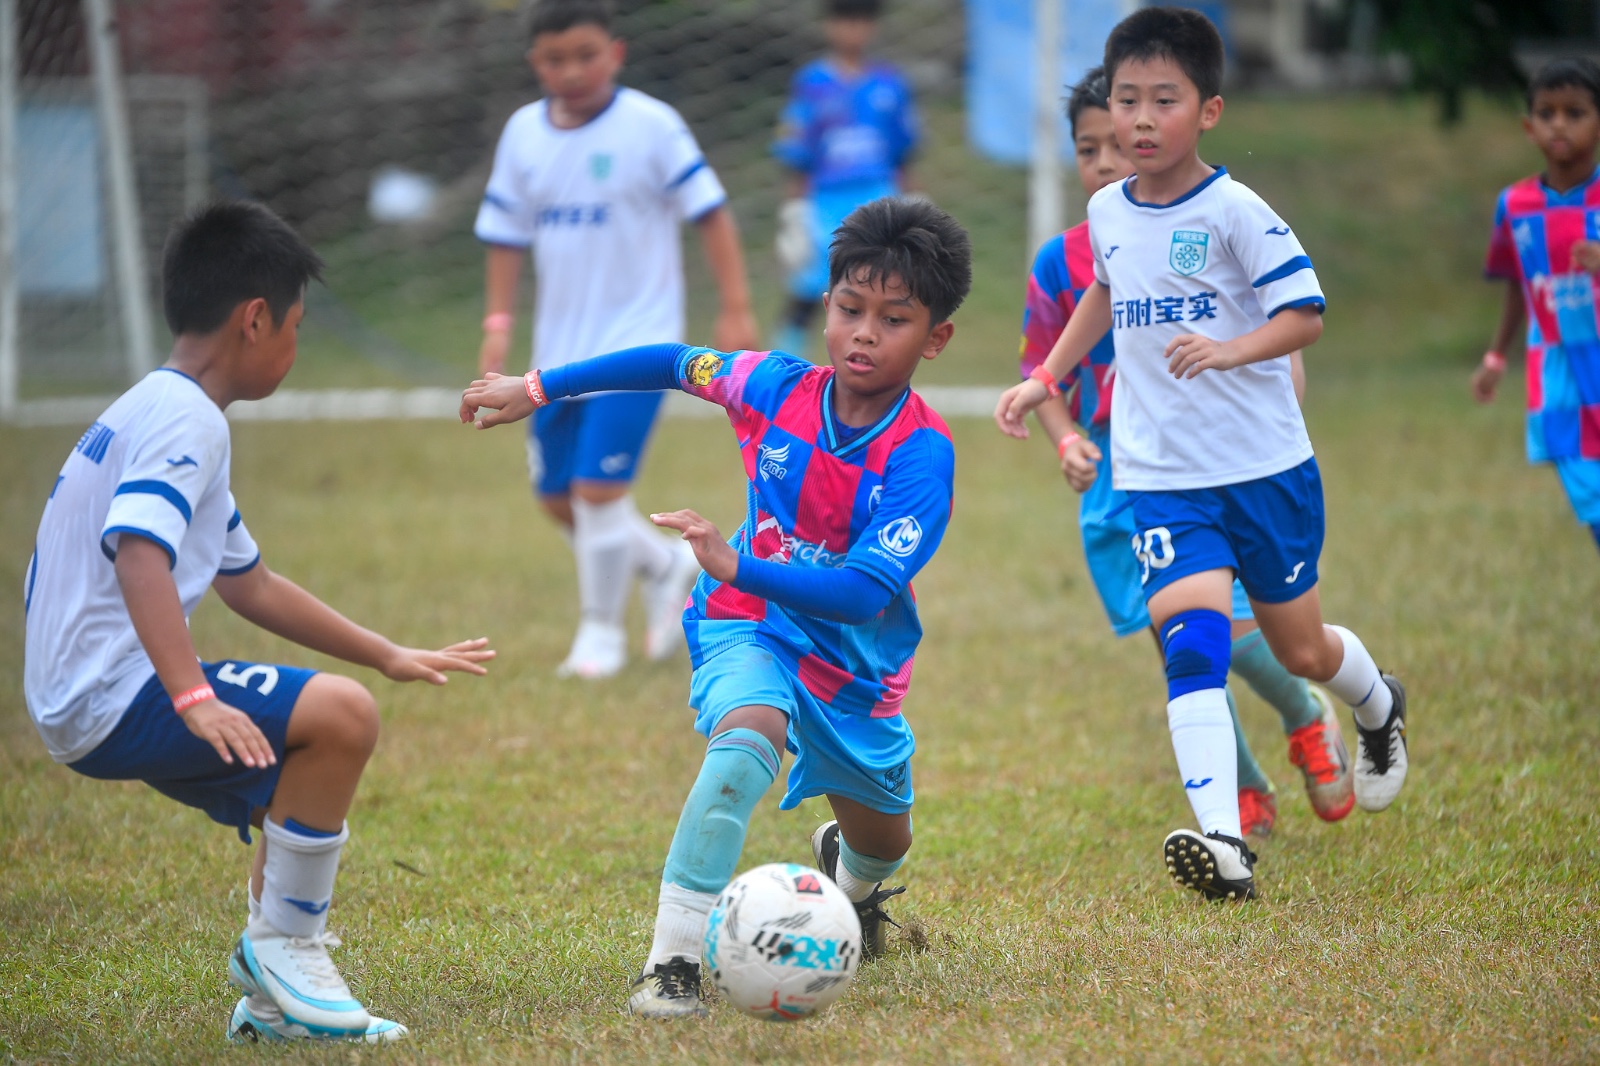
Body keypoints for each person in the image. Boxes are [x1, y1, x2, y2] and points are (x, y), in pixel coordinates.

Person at [462, 197, 971, 1017]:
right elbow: (674, 361)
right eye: (848, 309)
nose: (863, 334)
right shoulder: (770, 384)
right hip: (747, 619)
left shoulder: (920, 457)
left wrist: (740, 559)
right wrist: (537, 386)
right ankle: (672, 965)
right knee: (745, 744)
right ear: (828, 304)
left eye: (895, 319)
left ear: (935, 338)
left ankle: (852, 882)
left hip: (854, 660)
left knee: (887, 839)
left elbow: (864, 591)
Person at [21, 201, 494, 1043]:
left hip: (77, 693)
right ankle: (290, 946)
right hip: (108, 693)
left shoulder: (153, 407)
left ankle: (274, 997)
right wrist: (193, 693)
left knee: (310, 749)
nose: (294, 346)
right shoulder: (188, 420)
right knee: (341, 718)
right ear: (254, 321)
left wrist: (386, 651)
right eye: (296, 327)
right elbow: (138, 551)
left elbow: (251, 584)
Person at [996, 8, 1408, 902]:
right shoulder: (1108, 211)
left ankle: (1378, 706)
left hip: (1262, 467)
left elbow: (1307, 314)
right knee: (1190, 643)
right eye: (1127, 100)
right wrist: (1046, 378)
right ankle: (1224, 841)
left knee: (1301, 650)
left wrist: (1229, 350)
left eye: (1164, 101)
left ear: (1209, 111)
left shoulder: (1236, 211)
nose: (1139, 120)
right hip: (1159, 474)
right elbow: (1103, 294)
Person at [1019, 67, 1354, 838]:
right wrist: (1065, 436)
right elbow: (1044, 366)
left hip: (1207, 460)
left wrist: (1273, 387)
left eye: (1119, 140)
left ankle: (1306, 717)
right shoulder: (1061, 262)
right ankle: (1244, 788)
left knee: (1229, 631)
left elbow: (1276, 318)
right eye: (1089, 146)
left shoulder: (1212, 218)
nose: (1108, 158)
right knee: (1172, 637)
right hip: (1114, 468)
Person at [475, 0, 761, 679]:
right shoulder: (522, 134)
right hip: (557, 351)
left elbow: (711, 214)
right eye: (553, 59)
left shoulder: (652, 126)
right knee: (558, 500)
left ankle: (600, 636)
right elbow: (505, 236)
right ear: (532, 62)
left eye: (585, 55)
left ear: (617, 53)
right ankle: (665, 566)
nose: (570, 71)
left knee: (598, 495)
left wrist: (736, 306)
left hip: (640, 345)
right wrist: (497, 324)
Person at [1472, 57, 1600, 554]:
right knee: (1592, 507)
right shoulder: (1516, 205)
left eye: (1576, 112)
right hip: (1559, 378)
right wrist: (1495, 357)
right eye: (1547, 114)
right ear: (1530, 127)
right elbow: (1515, 282)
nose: (1559, 124)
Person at [771, 0, 919, 358]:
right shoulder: (812, 83)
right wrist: (794, 209)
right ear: (829, 25)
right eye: (844, 21)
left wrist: (914, 204)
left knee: (880, 287)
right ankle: (782, 363)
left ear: (873, 26)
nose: (853, 31)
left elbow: (904, 154)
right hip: (826, 199)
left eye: (861, 21)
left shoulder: (890, 84)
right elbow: (798, 155)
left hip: (878, 197)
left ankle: (873, 365)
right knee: (811, 284)